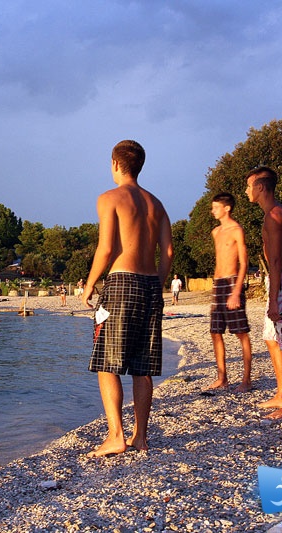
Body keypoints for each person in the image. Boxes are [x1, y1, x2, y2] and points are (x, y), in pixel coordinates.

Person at [81, 140, 173, 457]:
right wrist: (157, 284)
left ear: (116, 164)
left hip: (121, 283)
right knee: (142, 365)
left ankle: (116, 435)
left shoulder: (110, 198)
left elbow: (106, 248)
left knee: (107, 362)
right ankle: (141, 437)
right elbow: (168, 252)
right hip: (150, 285)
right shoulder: (157, 204)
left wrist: (90, 283)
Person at [245, 166, 282, 419]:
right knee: (271, 337)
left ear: (260, 188)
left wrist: (273, 300)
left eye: (249, 186)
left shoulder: (274, 215)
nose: (247, 191)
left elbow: (277, 261)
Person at [207, 192, 253, 392]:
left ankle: (246, 380)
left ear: (227, 208)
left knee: (241, 333)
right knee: (215, 332)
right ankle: (222, 377)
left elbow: (244, 263)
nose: (212, 211)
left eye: (215, 207)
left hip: (233, 282)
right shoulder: (216, 232)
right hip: (218, 284)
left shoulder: (237, 230)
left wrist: (236, 291)